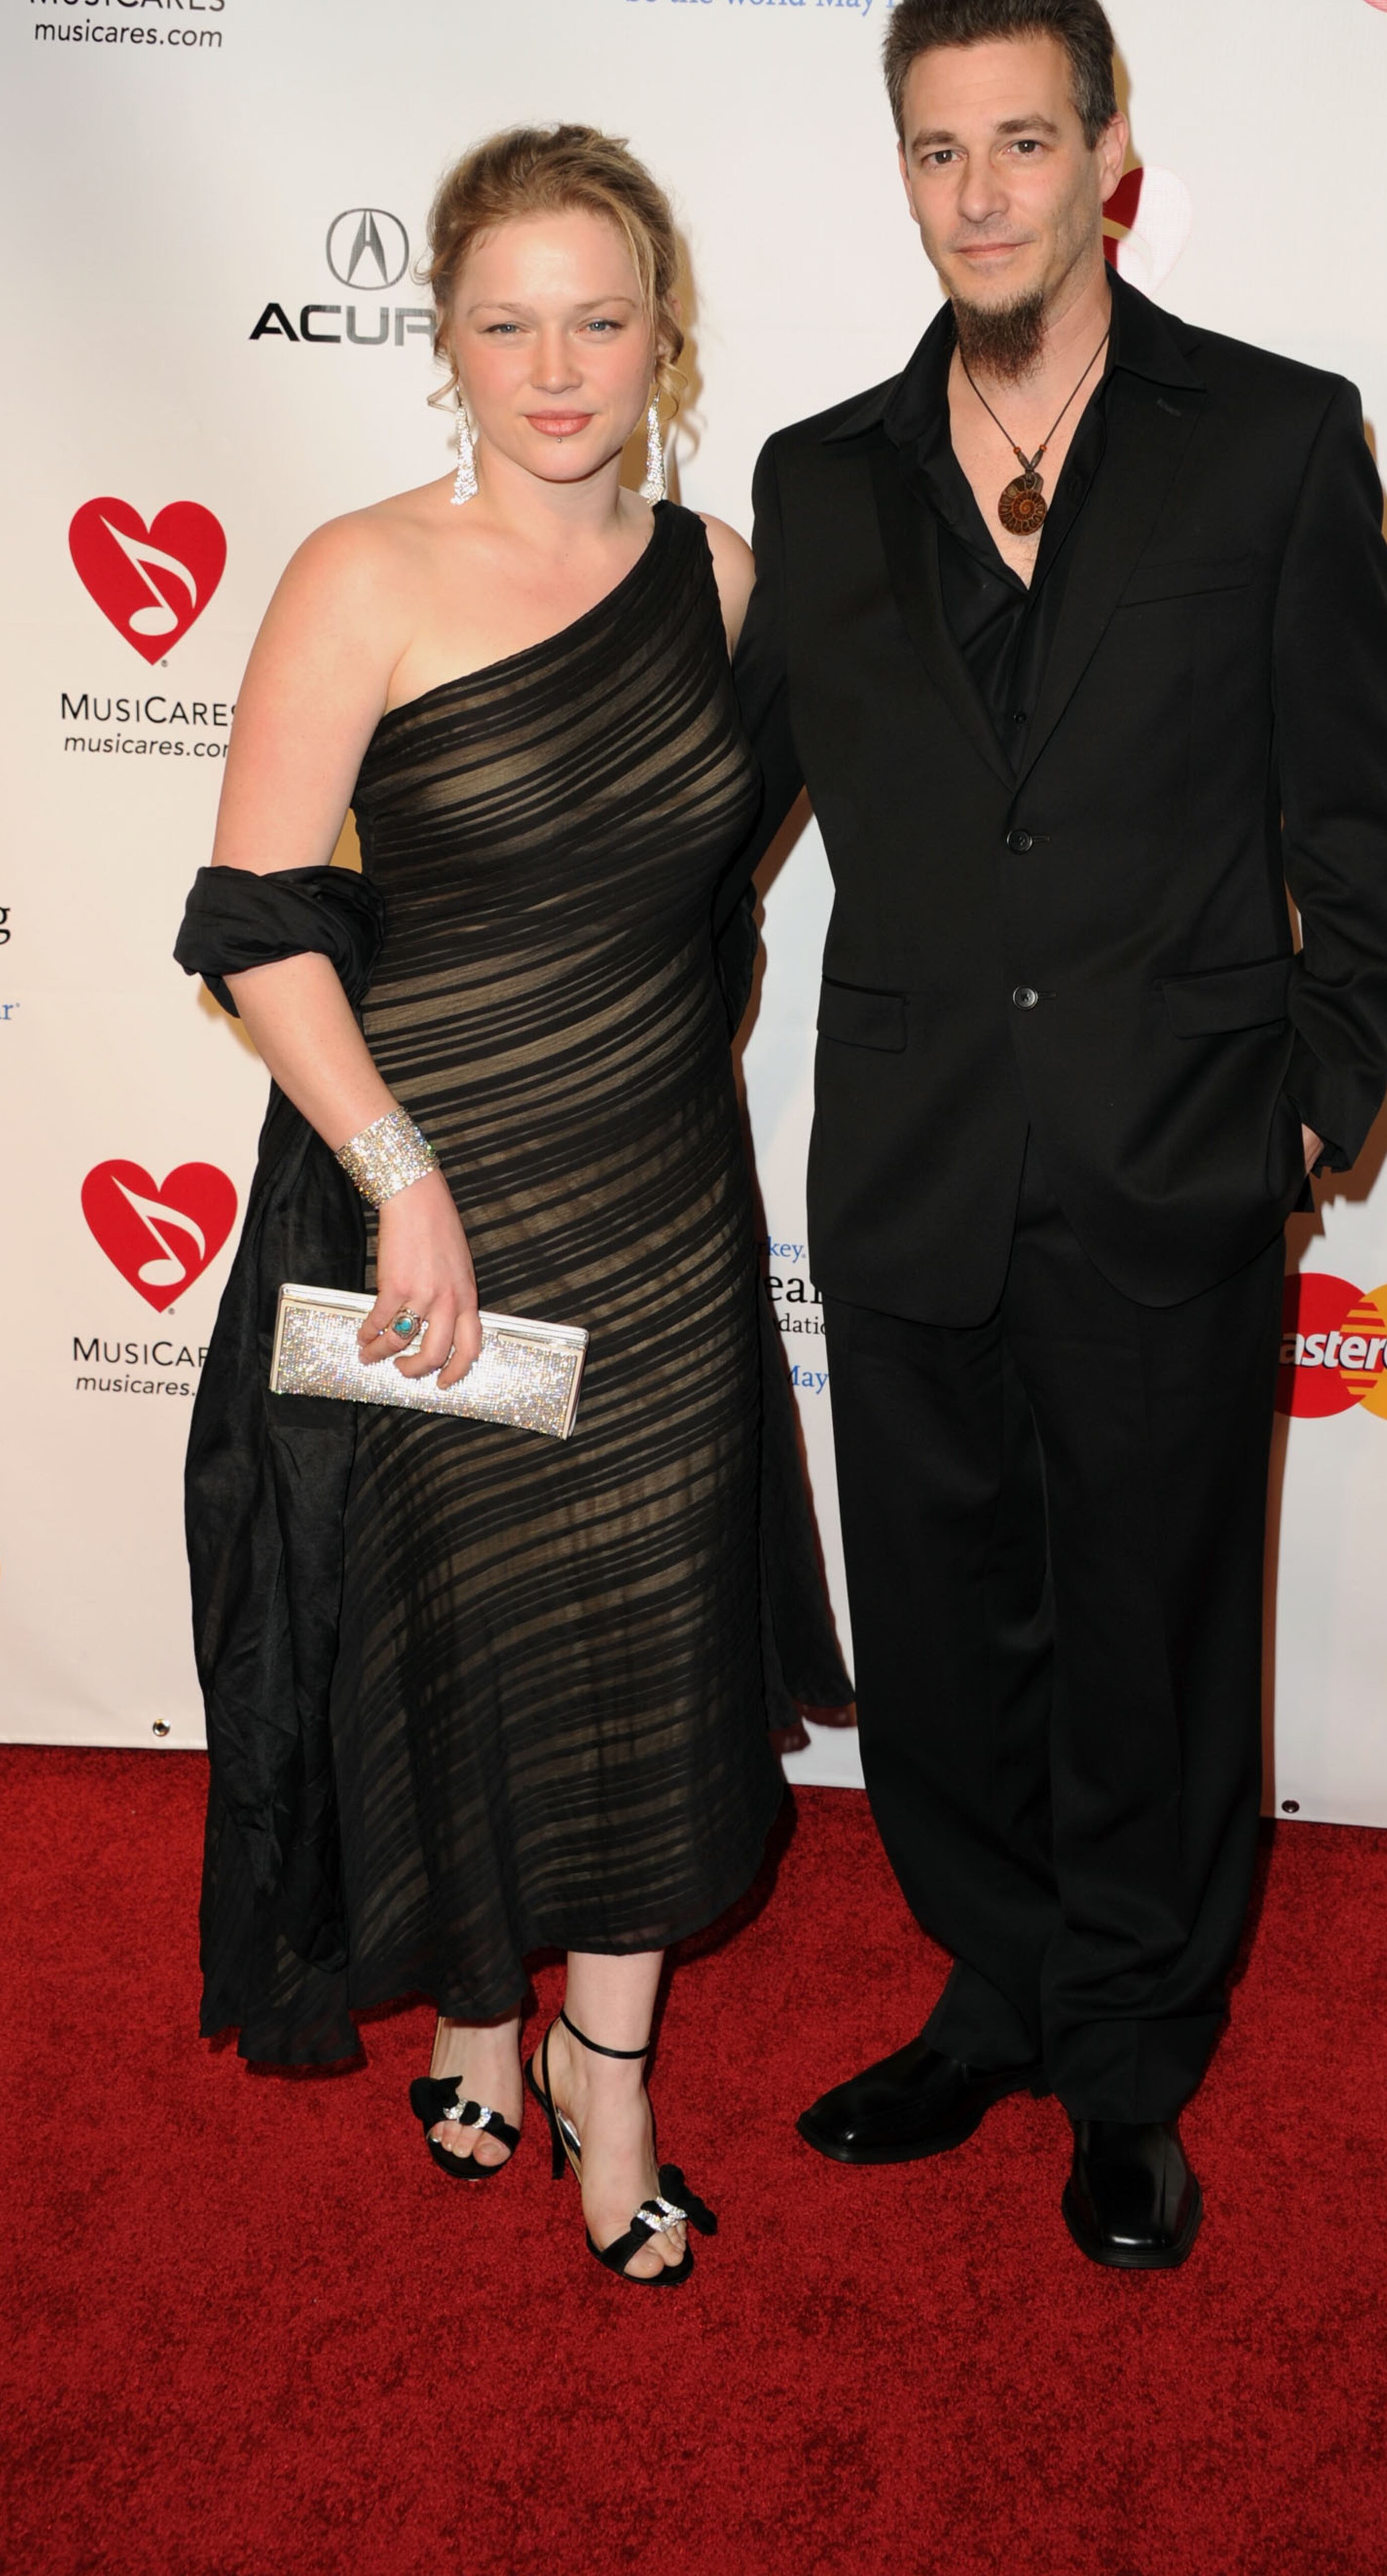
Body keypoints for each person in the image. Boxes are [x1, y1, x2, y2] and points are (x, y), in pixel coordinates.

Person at [723, 0, 1387, 2268]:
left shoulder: (1276, 440)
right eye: (939, 147)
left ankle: (1130, 2054)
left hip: (1175, 1166)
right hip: (916, 1171)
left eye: (1026, 140)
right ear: (901, 172)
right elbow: (713, 823)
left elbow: (1357, 818)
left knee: (1153, 1633)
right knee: (942, 1632)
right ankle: (995, 1985)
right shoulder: (820, 483)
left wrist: (1306, 1117)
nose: (981, 190)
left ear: (1110, 159)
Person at [176, 123, 813, 2286]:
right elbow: (258, 921)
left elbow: (706, 892)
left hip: (658, 1201)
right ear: (441, 335)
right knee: (454, 1648)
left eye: (601, 319)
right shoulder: (361, 571)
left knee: (643, 1637)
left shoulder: (726, 587)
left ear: (665, 332)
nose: (558, 367)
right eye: (507, 322)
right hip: (426, 1204)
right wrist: (403, 1176)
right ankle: (469, 1997)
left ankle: (600, 2070)